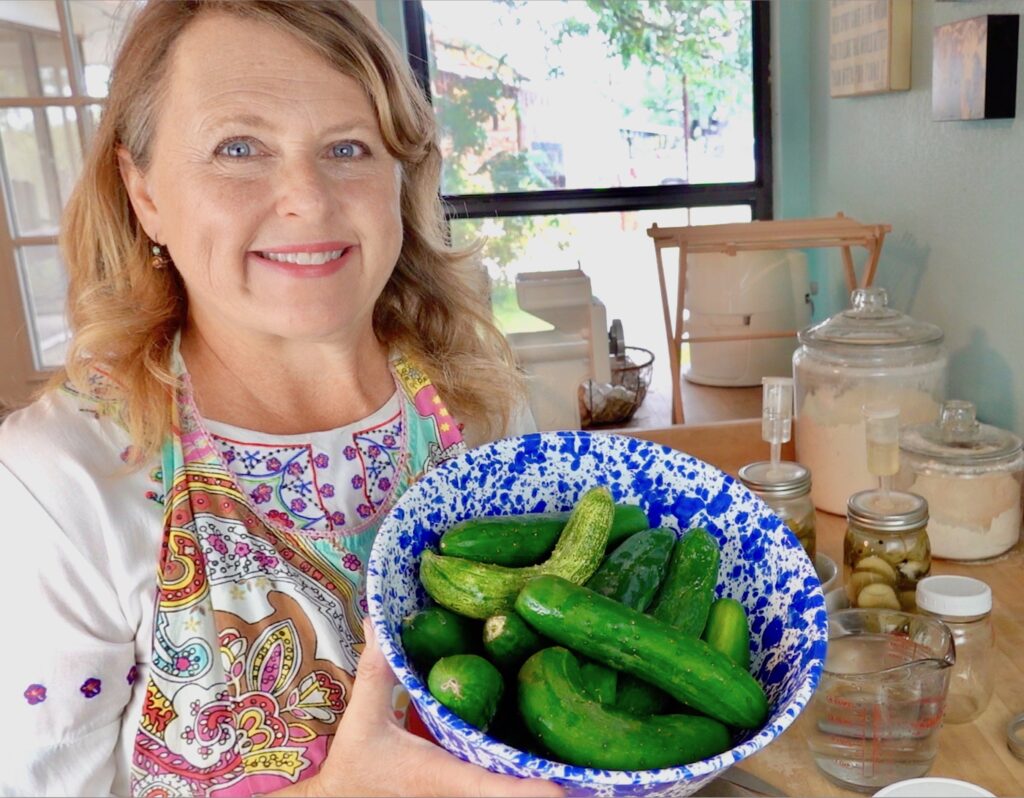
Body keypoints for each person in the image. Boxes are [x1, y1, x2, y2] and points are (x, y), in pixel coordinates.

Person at [0, 2, 559, 796]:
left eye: (347, 147)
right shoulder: (58, 482)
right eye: (238, 147)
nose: (308, 199)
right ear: (144, 188)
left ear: (400, 177)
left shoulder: (491, 407)